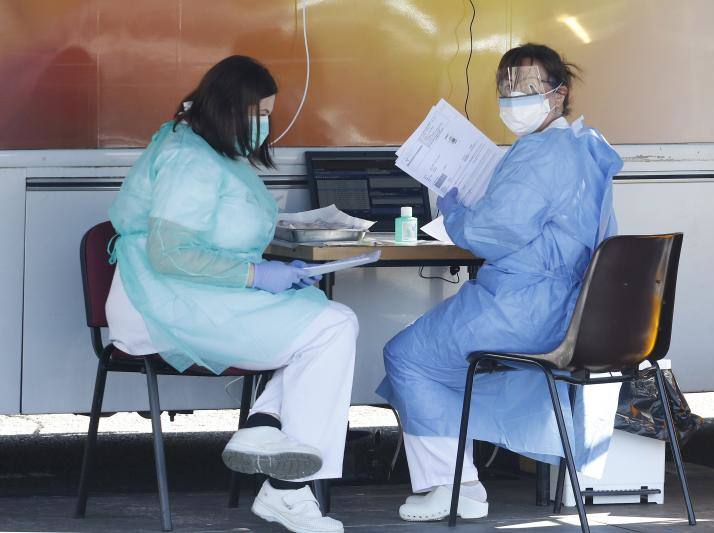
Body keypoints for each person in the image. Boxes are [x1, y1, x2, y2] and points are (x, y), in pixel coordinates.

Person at [106, 55, 355, 533]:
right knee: (332, 325)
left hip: (185, 293)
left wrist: (268, 272)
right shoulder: (190, 161)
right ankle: (285, 489)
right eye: (258, 112)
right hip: (157, 302)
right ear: (227, 107)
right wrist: (257, 277)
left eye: (267, 114)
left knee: (322, 316)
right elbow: (170, 253)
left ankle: (264, 433)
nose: (264, 124)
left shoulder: (202, 147)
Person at [376, 43, 623, 521]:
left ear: (558, 93)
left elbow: (493, 232)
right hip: (574, 313)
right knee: (438, 364)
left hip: (522, 309)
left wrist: (456, 209)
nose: (514, 98)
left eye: (528, 87)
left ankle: (451, 486)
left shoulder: (537, 154)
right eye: (506, 88)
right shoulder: (583, 148)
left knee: (407, 357)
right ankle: (460, 483)